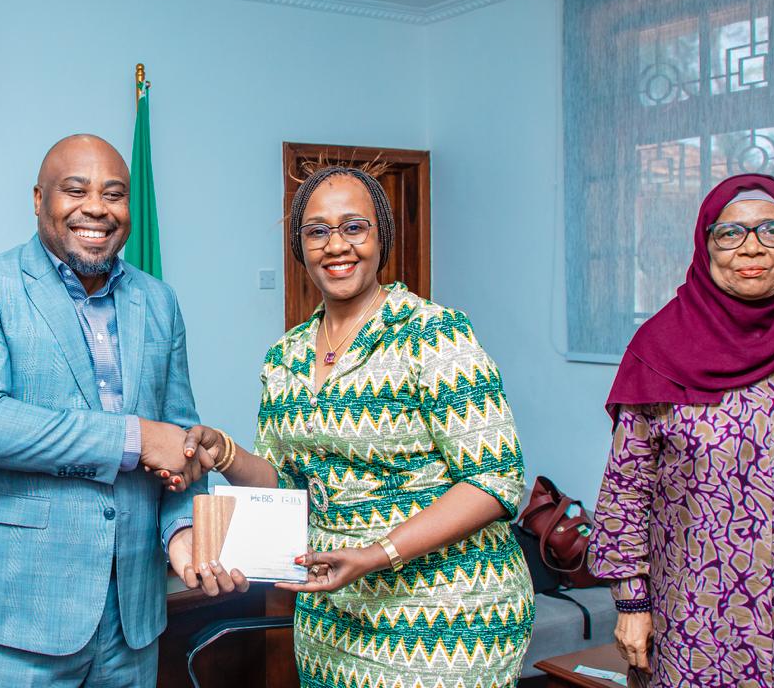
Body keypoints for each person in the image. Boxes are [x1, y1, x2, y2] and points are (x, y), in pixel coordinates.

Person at [161, 164, 534, 687]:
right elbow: (287, 486)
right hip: (332, 620)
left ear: (382, 237)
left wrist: (377, 554)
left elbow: (495, 480)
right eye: (318, 231)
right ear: (300, 246)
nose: (337, 245)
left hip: (446, 617)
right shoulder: (285, 356)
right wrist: (224, 452)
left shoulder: (432, 334)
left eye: (354, 227)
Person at [0, 134, 245, 687]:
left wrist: (180, 531)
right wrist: (135, 437)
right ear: (39, 200)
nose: (97, 208)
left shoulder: (159, 300)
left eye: (114, 194)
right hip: (19, 616)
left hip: (133, 618)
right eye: (75, 191)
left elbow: (180, 441)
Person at [588, 173, 774, 688]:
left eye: (773, 231)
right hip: (691, 626)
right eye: (730, 233)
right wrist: (631, 603)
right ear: (705, 245)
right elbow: (626, 490)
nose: (752, 248)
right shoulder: (660, 348)